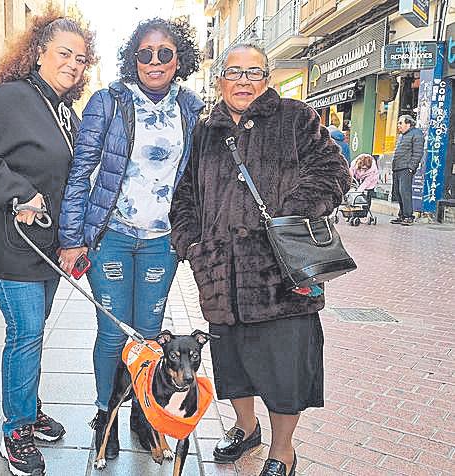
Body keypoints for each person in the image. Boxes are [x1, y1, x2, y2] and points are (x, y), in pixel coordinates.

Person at [170, 44, 350, 476]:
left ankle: (282, 450)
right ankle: (246, 428)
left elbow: (333, 172)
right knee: (232, 362)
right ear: (220, 80)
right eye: (234, 72)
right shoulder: (205, 131)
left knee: (285, 368)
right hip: (221, 273)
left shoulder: (294, 117)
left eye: (254, 72)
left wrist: (287, 222)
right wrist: (192, 243)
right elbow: (185, 195)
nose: (244, 81)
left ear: (267, 78)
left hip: (281, 274)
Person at [0, 8, 96, 476]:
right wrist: (19, 193)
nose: (73, 63)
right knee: (26, 331)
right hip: (5, 239)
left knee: (32, 332)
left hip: (42, 248)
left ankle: (28, 408)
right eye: (63, 53)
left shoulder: (63, 111)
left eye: (81, 57)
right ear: (38, 53)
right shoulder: (10, 97)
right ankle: (16, 431)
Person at [58, 17, 203, 460]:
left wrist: (191, 236)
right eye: (145, 53)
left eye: (165, 53)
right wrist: (71, 238)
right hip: (113, 236)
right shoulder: (109, 102)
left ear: (180, 59)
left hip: (162, 241)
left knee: (147, 337)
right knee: (111, 333)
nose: (155, 62)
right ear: (133, 58)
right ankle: (107, 416)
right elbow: (80, 171)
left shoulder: (193, 108)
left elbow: (196, 180)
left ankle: (144, 413)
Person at [390, 114, 424, 226]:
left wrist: (411, 167)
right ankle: (402, 215)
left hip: (406, 168)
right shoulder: (402, 136)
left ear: (408, 124)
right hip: (397, 168)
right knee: (398, 193)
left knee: (405, 192)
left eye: (401, 123)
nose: (398, 125)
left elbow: (418, 153)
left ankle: (409, 216)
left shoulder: (416, 134)